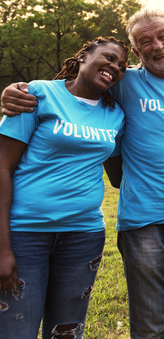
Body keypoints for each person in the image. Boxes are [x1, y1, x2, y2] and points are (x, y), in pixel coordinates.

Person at [1, 8, 164, 338]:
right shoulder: (123, 82)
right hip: (141, 222)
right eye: (145, 41)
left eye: (163, 36)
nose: (157, 45)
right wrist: (16, 91)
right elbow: (76, 87)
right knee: (148, 324)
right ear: (137, 53)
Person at [0, 37, 128, 338]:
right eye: (108, 57)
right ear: (83, 56)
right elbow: (2, 167)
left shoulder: (115, 115)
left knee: (66, 333)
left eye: (121, 66)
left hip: (83, 237)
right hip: (25, 234)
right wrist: (2, 248)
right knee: (15, 330)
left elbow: (119, 177)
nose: (114, 67)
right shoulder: (38, 94)